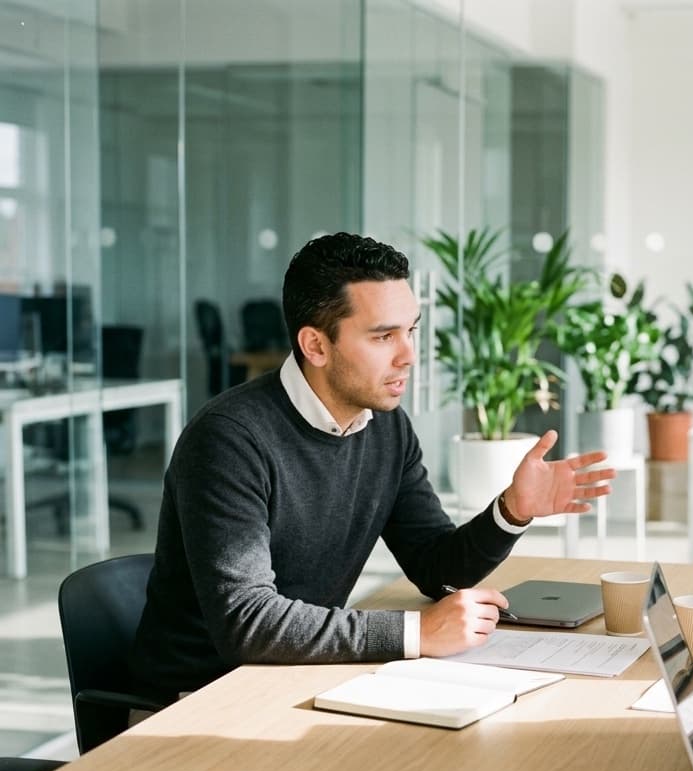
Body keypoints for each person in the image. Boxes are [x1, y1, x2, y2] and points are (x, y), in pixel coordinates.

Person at [129, 232, 614, 699]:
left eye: (411, 331)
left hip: (296, 677)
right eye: (384, 336)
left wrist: (511, 511)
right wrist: (417, 632)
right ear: (316, 345)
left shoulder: (385, 427)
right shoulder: (230, 439)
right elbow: (248, 622)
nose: (409, 356)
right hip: (197, 699)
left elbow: (434, 567)